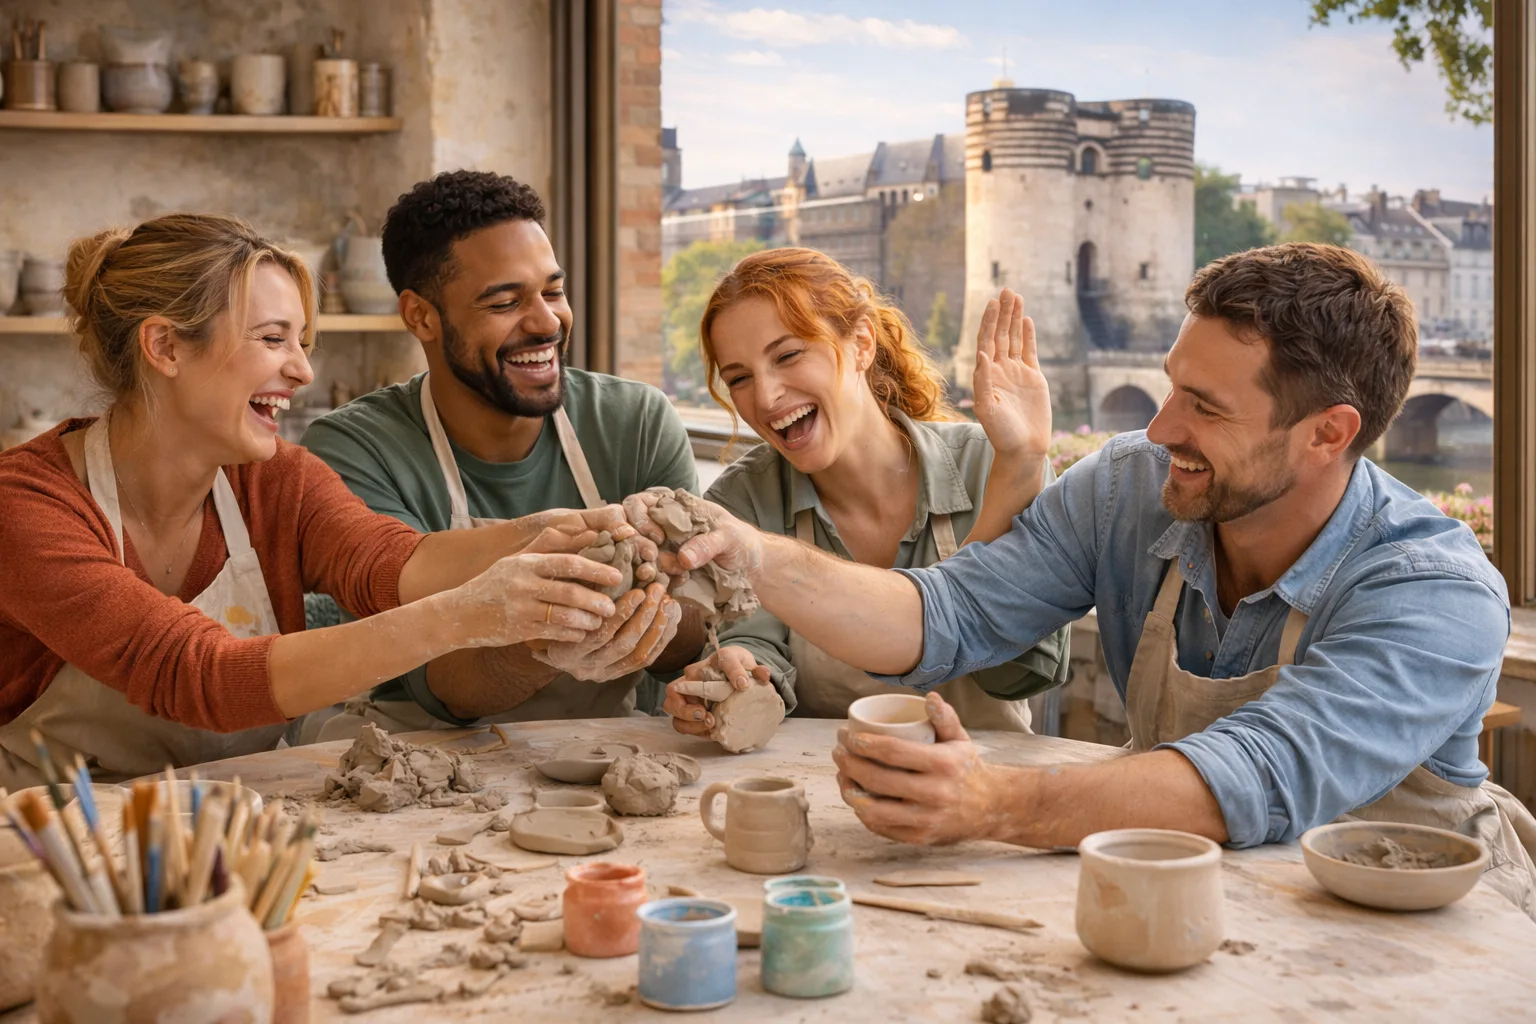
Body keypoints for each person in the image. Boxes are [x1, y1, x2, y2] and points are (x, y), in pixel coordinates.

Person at [644, 243, 1536, 917]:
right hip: (1200, 898)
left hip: (1426, 933)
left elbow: (1256, 775)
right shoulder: (1129, 488)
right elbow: (946, 613)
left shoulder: (1433, 589)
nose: (1158, 429)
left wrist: (994, 801)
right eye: (1171, 387)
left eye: (1205, 408)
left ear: (1328, 434)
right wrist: (750, 553)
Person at [0, 213, 633, 786]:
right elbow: (198, 674)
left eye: (304, 343)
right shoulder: (26, 506)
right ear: (165, 346)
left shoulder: (277, 480)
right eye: (274, 340)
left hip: (226, 825)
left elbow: (392, 566)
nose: (303, 371)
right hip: (46, 841)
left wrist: (577, 531)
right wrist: (467, 615)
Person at [301, 170, 701, 733]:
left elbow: (699, 637)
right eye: (505, 302)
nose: (546, 323)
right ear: (421, 316)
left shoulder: (635, 421)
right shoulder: (354, 449)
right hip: (414, 758)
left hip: (601, 759)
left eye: (554, 292)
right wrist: (550, 629)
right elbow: (444, 688)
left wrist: (655, 612)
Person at [657, 248, 1067, 736]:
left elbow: (1019, 674)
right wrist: (737, 671)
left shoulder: (991, 463)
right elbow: (755, 644)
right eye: (740, 378)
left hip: (987, 791)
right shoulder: (743, 500)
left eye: (788, 355)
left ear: (862, 343)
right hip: (823, 791)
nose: (765, 398)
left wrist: (1020, 468)